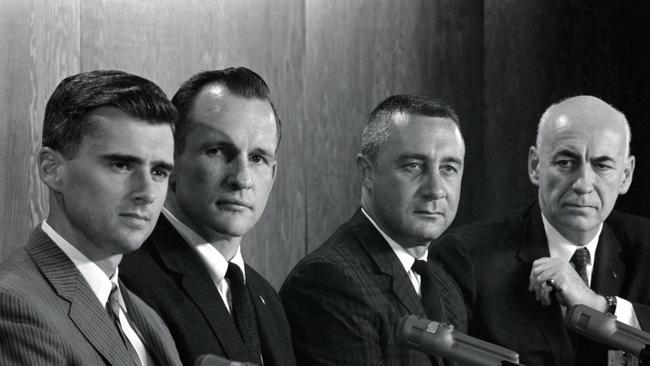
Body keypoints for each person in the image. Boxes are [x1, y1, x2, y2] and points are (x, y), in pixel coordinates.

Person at [432, 95, 650, 366]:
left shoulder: (645, 245)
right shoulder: (465, 259)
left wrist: (600, 307)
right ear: (535, 166)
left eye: (602, 165)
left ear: (626, 175)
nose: (583, 183)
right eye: (565, 163)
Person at [0, 70, 182, 366]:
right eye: (121, 164)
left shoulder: (147, 317)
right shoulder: (14, 304)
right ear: (51, 169)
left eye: (159, 172)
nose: (147, 192)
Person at [120, 67, 295, 366]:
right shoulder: (128, 281)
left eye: (257, 158)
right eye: (217, 151)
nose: (242, 178)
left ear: (273, 175)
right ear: (172, 160)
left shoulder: (268, 298)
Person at [280, 94, 468, 366]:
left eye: (448, 168)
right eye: (414, 166)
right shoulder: (328, 281)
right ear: (367, 173)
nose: (436, 190)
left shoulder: (444, 286)